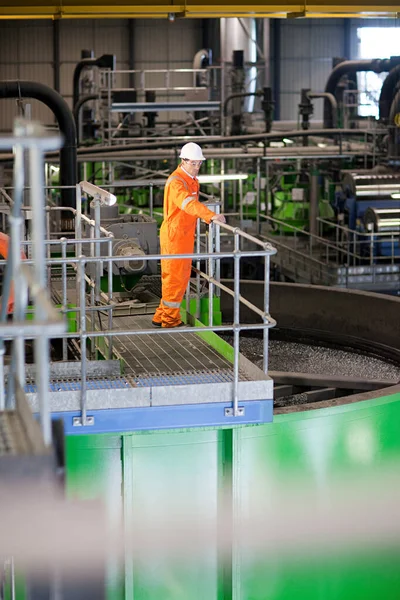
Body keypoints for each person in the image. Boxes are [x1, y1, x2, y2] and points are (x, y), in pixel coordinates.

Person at [152, 142, 226, 328]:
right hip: (175, 237)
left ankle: (161, 315)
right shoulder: (178, 182)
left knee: (179, 277)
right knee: (175, 279)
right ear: (183, 161)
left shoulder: (190, 180)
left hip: (182, 235)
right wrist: (211, 216)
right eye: (193, 163)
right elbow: (188, 205)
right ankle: (170, 321)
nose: (197, 167)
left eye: (199, 163)